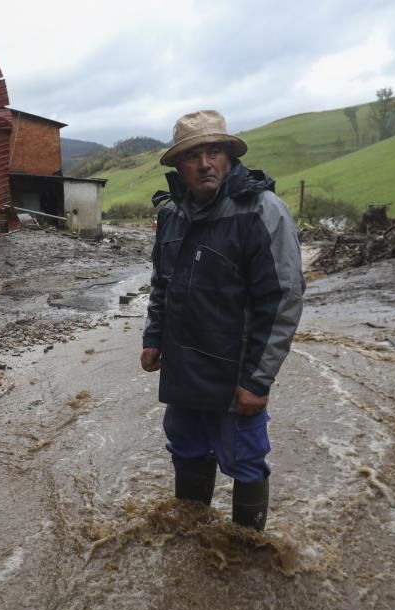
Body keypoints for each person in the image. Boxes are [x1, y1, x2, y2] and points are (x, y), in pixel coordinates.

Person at [140, 110, 305, 531]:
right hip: (183, 367)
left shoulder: (263, 211)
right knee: (186, 448)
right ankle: (194, 541)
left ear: (229, 158)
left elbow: (282, 299)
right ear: (180, 166)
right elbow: (162, 283)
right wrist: (154, 335)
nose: (204, 163)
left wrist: (257, 379)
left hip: (234, 372)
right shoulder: (173, 216)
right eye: (193, 156)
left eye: (214, 152)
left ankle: (246, 556)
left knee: (246, 461)